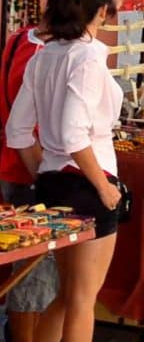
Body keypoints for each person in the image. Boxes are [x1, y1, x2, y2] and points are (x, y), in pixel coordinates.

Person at [6, 0, 123, 342]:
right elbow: (75, 132)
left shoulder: (44, 55)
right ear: (100, 11)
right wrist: (102, 188)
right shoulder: (87, 57)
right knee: (82, 300)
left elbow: (18, 130)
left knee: (68, 296)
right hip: (89, 180)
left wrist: (44, 170)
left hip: (55, 182)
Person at [0, 22, 57, 342]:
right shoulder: (42, 54)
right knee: (34, 274)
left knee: (32, 270)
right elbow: (22, 130)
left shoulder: (19, 39)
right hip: (29, 172)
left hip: (15, 168)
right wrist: (44, 178)